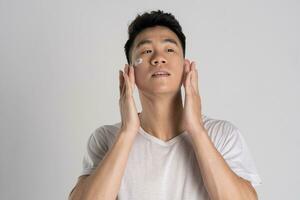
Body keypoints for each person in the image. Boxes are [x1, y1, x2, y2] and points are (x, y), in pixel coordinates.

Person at [69, 10, 262, 200]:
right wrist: (127, 132)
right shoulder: (107, 138)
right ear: (130, 72)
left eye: (169, 50)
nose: (158, 58)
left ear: (185, 67)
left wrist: (196, 130)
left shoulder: (222, 135)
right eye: (146, 51)